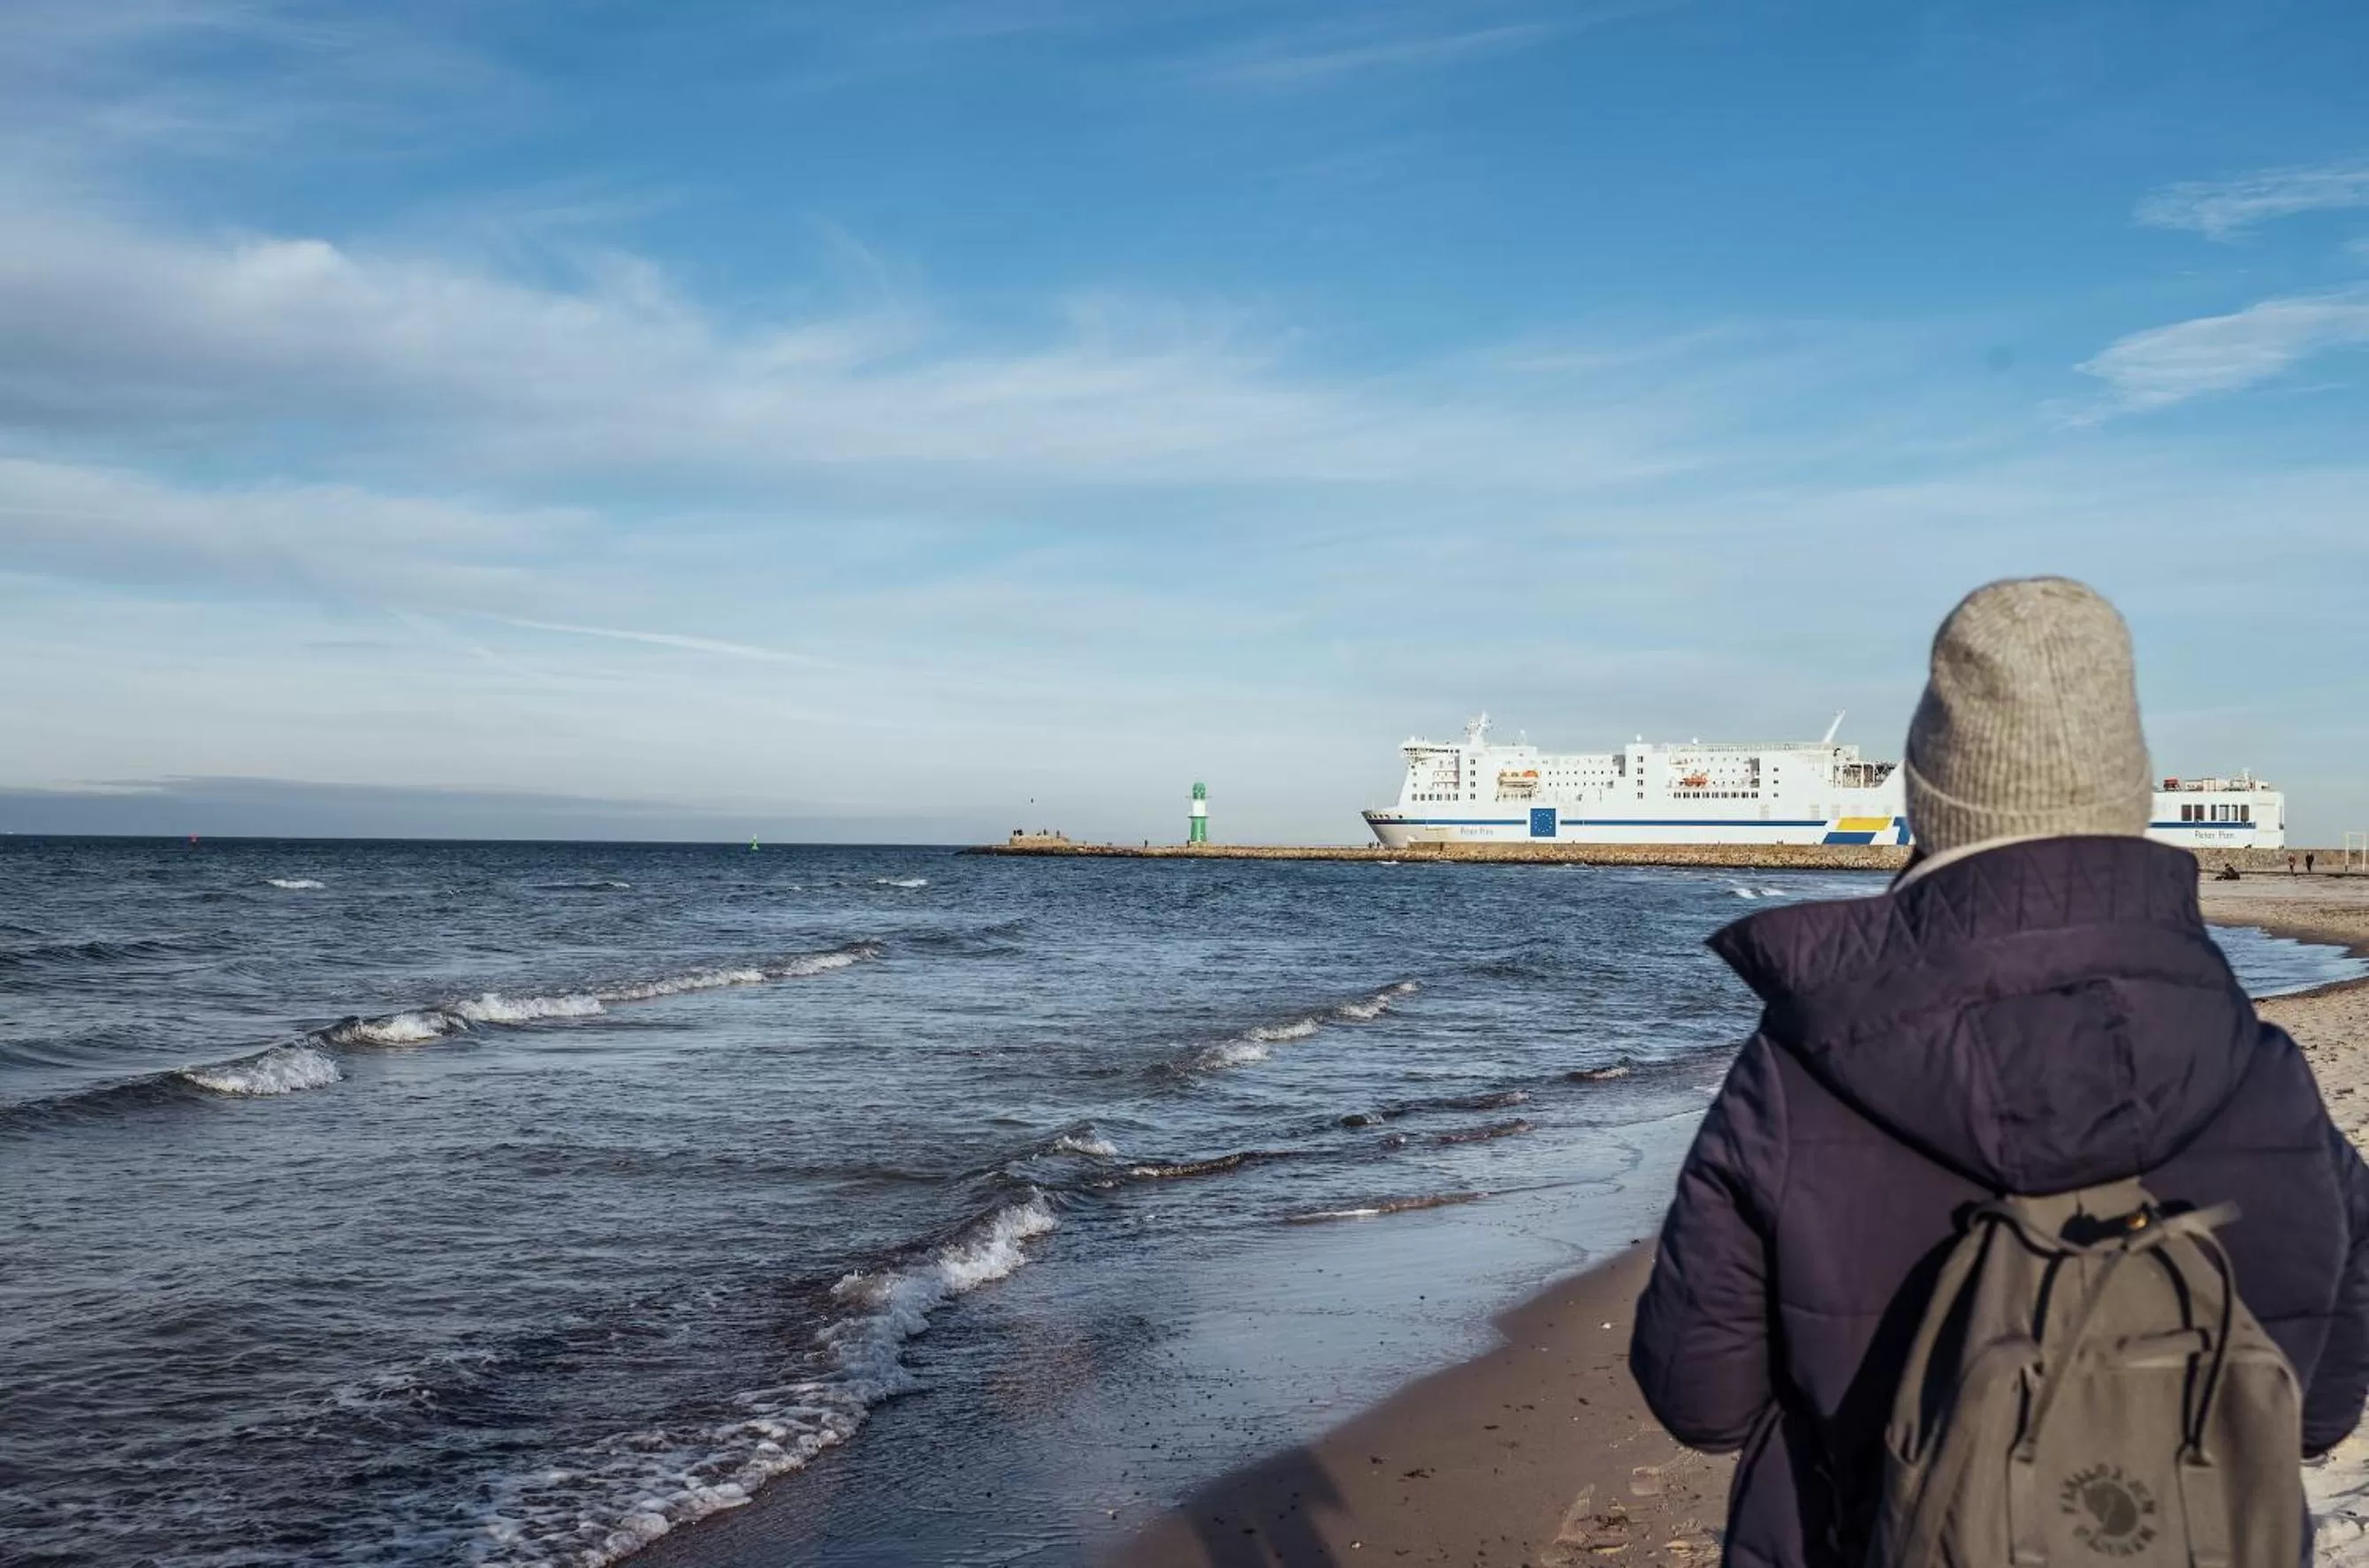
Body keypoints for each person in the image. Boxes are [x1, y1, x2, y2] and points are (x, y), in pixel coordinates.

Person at [1629, 577, 2369, 1568]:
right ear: (2127, 785)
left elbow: (1700, 1398)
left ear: (1932, 788)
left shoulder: (1797, 1070)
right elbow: (2315, 1412)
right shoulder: (2267, 1075)